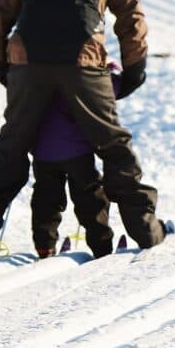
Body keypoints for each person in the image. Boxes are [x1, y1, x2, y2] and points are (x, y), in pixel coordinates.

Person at [0, 0, 165, 256]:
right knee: (112, 145)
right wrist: (134, 69)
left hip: (26, 63)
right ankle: (146, 231)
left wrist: (2, 67)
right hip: (84, 62)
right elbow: (132, 19)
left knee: (11, 148)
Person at [27, 69, 124, 260]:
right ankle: (101, 247)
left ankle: (44, 246)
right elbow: (113, 86)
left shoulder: (37, 66)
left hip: (44, 148)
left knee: (46, 197)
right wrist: (112, 68)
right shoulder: (82, 67)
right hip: (77, 148)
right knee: (90, 197)